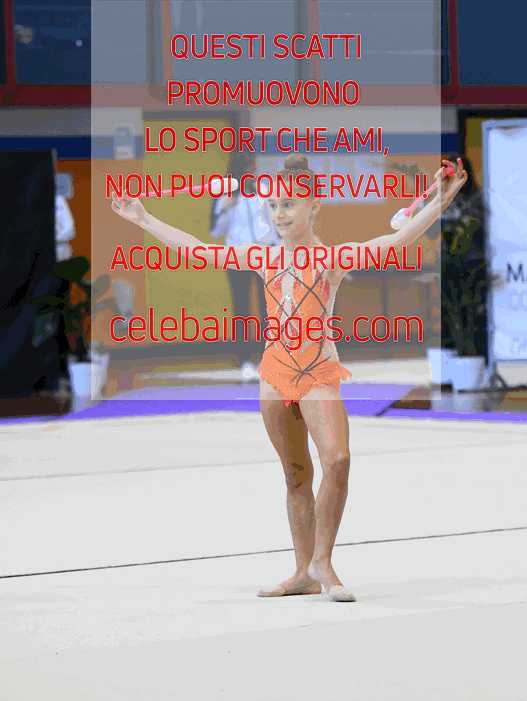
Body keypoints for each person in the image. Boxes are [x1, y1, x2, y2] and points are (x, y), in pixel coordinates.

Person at [111, 154, 467, 602]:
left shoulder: (332, 259)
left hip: (318, 370)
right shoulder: (262, 257)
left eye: (290, 205)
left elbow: (395, 240)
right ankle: (303, 573)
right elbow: (199, 250)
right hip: (276, 372)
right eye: (274, 205)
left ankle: (323, 561)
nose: (279, 214)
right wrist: (144, 219)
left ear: (314, 206)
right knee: (296, 474)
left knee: (337, 460)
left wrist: (439, 201)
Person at [210, 156, 279, 380]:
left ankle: (271, 358)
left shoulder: (264, 190)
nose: (249, 174)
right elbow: (215, 231)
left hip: (265, 254)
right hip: (237, 256)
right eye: (245, 170)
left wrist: (279, 249)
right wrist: (226, 209)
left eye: (252, 169)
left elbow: (275, 223)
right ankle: (245, 361)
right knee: (241, 309)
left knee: (269, 309)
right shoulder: (225, 195)